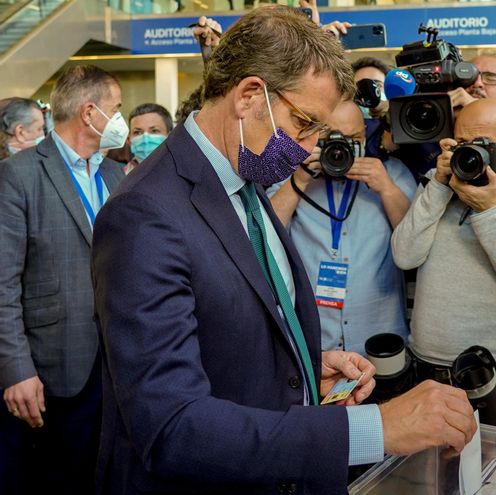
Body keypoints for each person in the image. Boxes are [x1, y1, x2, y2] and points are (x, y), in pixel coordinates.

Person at [90, 8, 476, 494]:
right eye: (305, 122)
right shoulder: (145, 214)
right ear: (250, 96)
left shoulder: (243, 178)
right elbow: (172, 425)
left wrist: (303, 363)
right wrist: (376, 429)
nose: (309, 146)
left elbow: (223, 331)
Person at [391, 98, 496, 437]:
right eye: (464, 143)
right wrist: (439, 188)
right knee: (433, 479)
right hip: (429, 365)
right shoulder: (436, 183)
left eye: (485, 144)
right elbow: (405, 256)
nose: (473, 154)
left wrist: (487, 211)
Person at [0, 65, 127, 495]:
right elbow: (2, 283)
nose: (120, 121)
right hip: (49, 369)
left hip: (114, 365)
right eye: (117, 109)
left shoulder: (113, 174)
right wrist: (16, 370)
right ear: (90, 113)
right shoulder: (19, 175)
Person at [269, 100, 416, 356]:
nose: (341, 147)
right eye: (331, 136)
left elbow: (415, 244)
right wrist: (299, 180)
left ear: (364, 135)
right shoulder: (290, 176)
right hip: (316, 342)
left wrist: (386, 189)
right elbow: (265, 238)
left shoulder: (393, 173)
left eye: (352, 138)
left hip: (380, 337)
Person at [126, 102, 173, 173]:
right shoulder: (116, 177)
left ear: (170, 136)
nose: (145, 139)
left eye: (154, 131)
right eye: (137, 132)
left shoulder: (185, 174)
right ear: (128, 140)